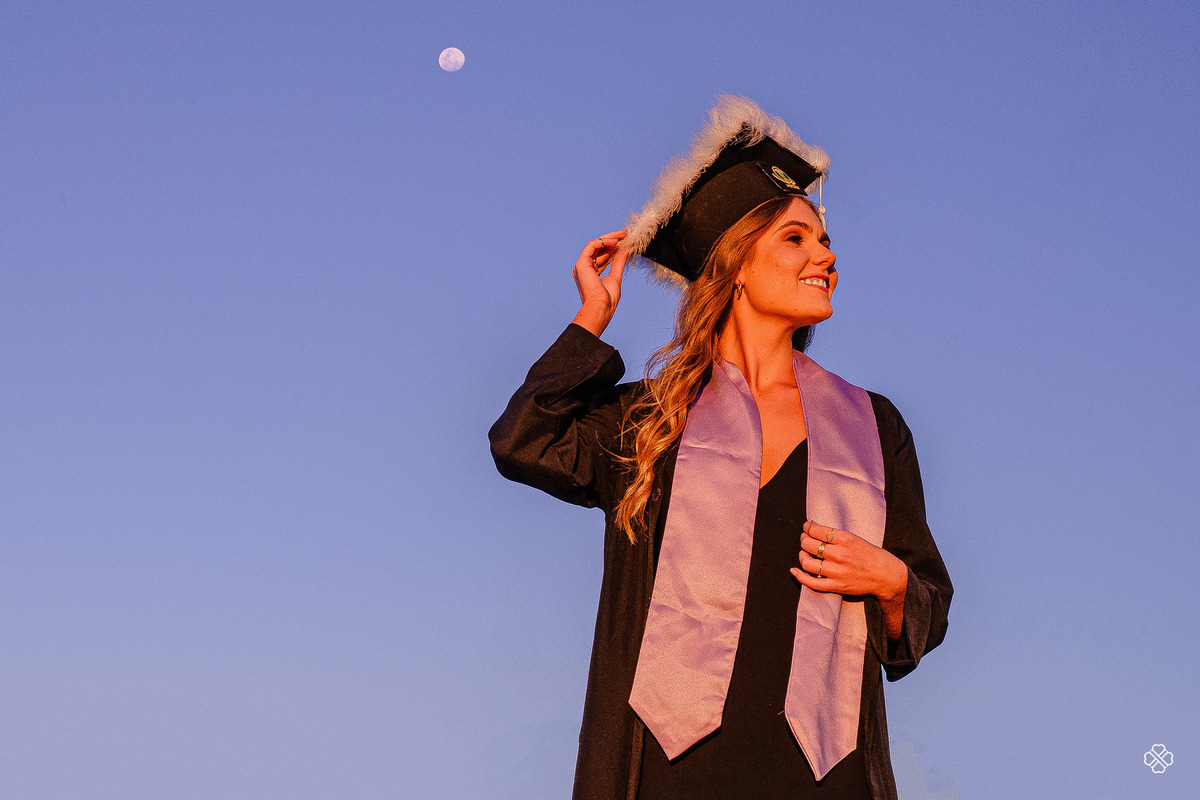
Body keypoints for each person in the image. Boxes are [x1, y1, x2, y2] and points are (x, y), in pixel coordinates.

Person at [489, 96, 952, 800]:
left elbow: (924, 610)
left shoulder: (873, 427)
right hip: (666, 774)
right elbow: (524, 437)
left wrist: (889, 580)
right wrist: (591, 319)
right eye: (796, 238)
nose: (825, 256)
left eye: (825, 241)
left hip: (826, 774)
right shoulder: (652, 420)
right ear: (736, 263)